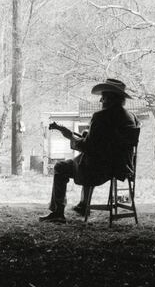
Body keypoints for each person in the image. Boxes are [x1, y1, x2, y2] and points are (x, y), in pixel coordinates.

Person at [39, 79, 139, 222]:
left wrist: (71, 137)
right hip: (122, 167)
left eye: (103, 97)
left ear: (110, 98)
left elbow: (89, 147)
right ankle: (83, 204)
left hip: (99, 169)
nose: (100, 100)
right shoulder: (131, 117)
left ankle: (58, 212)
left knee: (61, 167)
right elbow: (106, 142)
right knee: (83, 160)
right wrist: (86, 137)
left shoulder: (100, 117)